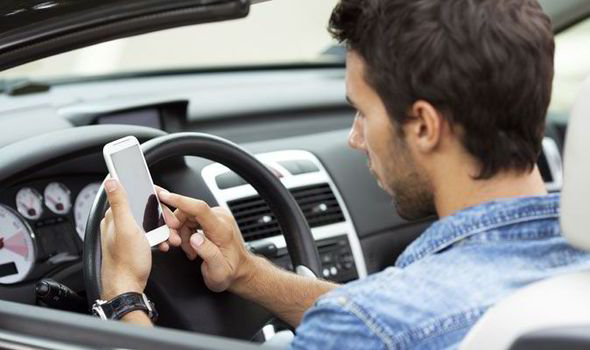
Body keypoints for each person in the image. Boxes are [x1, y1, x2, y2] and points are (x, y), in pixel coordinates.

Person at [99, 0, 590, 348]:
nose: (356, 138)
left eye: (363, 112)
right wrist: (248, 273)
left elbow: (382, 324)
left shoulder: (375, 326)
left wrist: (122, 294)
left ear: (423, 126)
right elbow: (397, 319)